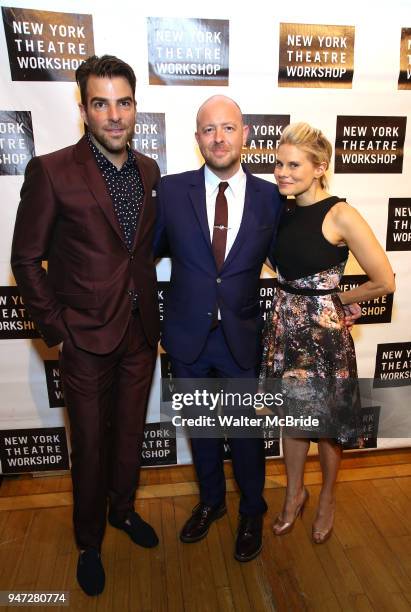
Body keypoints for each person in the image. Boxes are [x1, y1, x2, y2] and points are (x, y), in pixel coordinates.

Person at [11, 55, 161, 596]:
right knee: (91, 448)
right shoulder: (51, 171)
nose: (114, 115)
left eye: (123, 102)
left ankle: (123, 511)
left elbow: (136, 253)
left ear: (134, 108)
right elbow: (25, 258)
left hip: (140, 335)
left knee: (129, 439)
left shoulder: (148, 170)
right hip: (84, 340)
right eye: (101, 103)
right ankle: (89, 540)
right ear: (83, 109)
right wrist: (58, 331)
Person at [154, 95, 284, 562]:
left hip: (240, 338)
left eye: (228, 128)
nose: (219, 138)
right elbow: (140, 256)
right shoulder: (170, 192)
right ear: (197, 139)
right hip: (188, 338)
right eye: (209, 130)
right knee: (202, 429)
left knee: (245, 433)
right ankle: (212, 502)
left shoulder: (272, 197)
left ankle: (252, 509)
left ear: (245, 134)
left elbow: (291, 262)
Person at [259, 122, 395, 544]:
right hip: (284, 329)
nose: (282, 172)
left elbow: (384, 280)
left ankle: (328, 499)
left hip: (324, 339)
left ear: (320, 168)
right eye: (278, 163)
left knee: (329, 427)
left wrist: (334, 299)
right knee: (293, 421)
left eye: (294, 165)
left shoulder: (341, 213)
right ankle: (293, 493)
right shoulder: (279, 209)